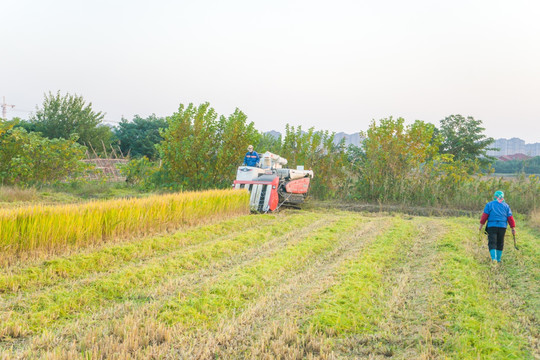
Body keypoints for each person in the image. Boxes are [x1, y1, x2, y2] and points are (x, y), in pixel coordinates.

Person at [478, 190, 516, 264]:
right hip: (502, 227)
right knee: (500, 242)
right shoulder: (506, 206)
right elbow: (510, 218)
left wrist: (481, 226)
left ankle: (494, 259)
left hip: (492, 226)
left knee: (492, 242)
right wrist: (513, 228)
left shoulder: (489, 205)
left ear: (495, 196)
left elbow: (484, 216)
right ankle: (498, 259)